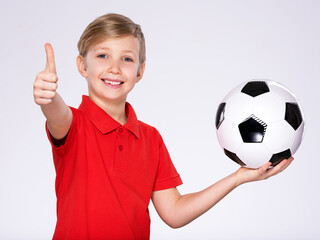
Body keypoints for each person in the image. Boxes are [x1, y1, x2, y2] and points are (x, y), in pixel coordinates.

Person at [33, 13, 293, 240]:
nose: (114, 68)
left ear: (140, 71)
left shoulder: (150, 138)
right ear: (82, 66)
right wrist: (49, 96)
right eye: (102, 55)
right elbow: (57, 114)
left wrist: (237, 179)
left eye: (126, 59)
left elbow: (174, 213)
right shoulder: (74, 124)